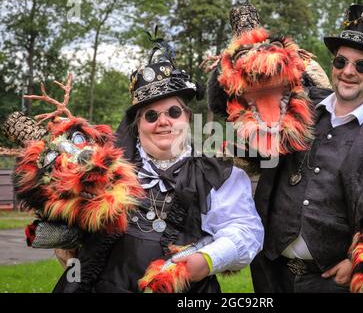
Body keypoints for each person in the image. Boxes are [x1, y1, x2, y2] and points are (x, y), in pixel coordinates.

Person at [53, 34, 264, 293]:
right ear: (138, 124)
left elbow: (245, 230)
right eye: (151, 115)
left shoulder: (217, 173)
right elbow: (68, 216)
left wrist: (206, 260)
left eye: (173, 112)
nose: (163, 122)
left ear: (186, 117)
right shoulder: (106, 169)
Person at [250, 4, 363, 293]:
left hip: (338, 283)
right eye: (341, 61)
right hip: (272, 274)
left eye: (361, 65)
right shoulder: (299, 109)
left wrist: (358, 262)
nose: (348, 71)